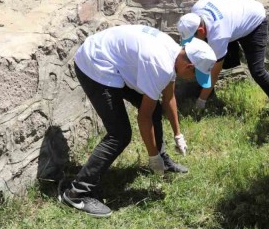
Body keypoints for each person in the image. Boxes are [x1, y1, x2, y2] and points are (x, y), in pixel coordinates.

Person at [61, 25, 217, 218]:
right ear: (189, 66)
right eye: (195, 76)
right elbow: (144, 117)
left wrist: (178, 134)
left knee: (156, 110)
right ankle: (77, 193)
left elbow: (168, 98)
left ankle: (163, 158)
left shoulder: (175, 53)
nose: (192, 79)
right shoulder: (161, 65)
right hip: (95, 63)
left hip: (113, 62)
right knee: (120, 134)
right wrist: (152, 158)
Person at [177, 0, 269, 123]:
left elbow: (214, 73)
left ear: (201, 30)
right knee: (210, 56)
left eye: (192, 39)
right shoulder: (196, 10)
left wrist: (200, 103)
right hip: (235, 16)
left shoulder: (218, 35)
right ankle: (209, 94)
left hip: (254, 20)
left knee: (257, 71)